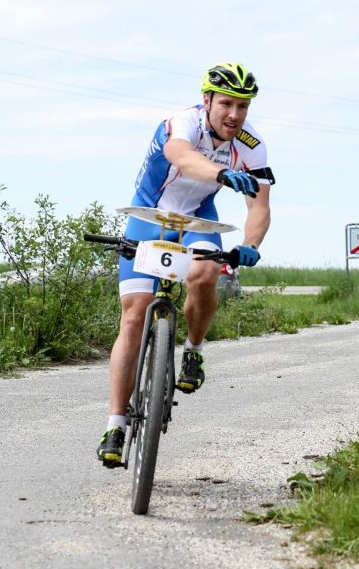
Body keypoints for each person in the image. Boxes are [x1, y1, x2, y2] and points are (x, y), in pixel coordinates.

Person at [97, 62, 275, 466]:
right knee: (133, 317)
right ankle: (116, 422)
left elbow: (260, 205)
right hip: (148, 217)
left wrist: (250, 244)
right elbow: (180, 155)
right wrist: (223, 173)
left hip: (196, 220)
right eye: (227, 103)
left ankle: (193, 349)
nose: (234, 114)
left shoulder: (251, 145)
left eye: (243, 106)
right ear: (207, 100)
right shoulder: (184, 122)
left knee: (207, 271)